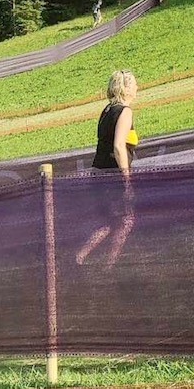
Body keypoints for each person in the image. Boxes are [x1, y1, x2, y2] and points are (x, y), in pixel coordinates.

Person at [76, 70, 137, 267]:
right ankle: (109, 265)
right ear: (127, 88)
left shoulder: (107, 110)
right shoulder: (125, 111)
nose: (137, 87)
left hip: (98, 172)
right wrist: (126, 178)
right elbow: (118, 147)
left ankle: (80, 258)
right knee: (126, 221)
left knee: (107, 222)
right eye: (134, 84)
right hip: (112, 176)